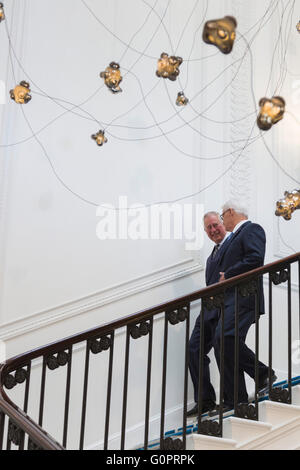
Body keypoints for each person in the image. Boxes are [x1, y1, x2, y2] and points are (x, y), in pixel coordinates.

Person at [214, 200, 276, 408]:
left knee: (225, 338)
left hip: (245, 296)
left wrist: (228, 275)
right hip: (233, 299)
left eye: (222, 217)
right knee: (222, 342)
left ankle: (264, 374)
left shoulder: (251, 229)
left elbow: (255, 258)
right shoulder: (233, 239)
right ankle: (235, 398)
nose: (222, 221)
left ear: (231, 212)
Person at [188, 212, 231, 417]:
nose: (213, 230)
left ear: (223, 224)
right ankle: (205, 400)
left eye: (216, 225)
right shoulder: (209, 257)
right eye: (209, 228)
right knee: (194, 348)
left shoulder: (232, 246)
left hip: (224, 305)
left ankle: (230, 397)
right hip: (208, 307)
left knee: (221, 347)